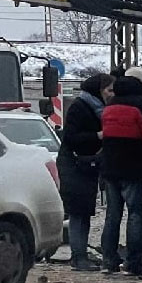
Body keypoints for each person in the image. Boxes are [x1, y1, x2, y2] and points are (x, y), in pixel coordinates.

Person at [99, 69, 142, 276]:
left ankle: (108, 261)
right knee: (135, 214)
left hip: (110, 167)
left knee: (112, 215)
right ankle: (135, 262)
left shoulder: (111, 104)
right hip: (133, 166)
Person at [57, 72, 115, 271]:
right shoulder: (80, 107)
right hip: (74, 165)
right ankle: (78, 256)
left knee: (84, 212)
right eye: (108, 89)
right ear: (98, 90)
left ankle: (80, 254)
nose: (111, 94)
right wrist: (98, 135)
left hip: (87, 165)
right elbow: (71, 138)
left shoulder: (96, 108)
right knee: (78, 213)